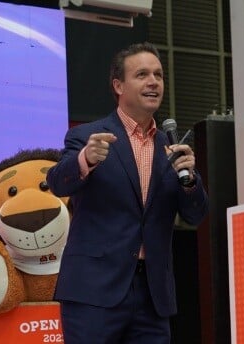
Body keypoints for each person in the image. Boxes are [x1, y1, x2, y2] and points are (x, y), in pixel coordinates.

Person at [45, 42, 208, 343]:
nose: (153, 82)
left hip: (153, 294)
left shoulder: (170, 147)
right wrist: (86, 160)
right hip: (94, 291)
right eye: (142, 74)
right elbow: (57, 183)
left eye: (158, 75)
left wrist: (190, 180)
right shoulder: (88, 136)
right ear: (118, 85)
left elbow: (196, 215)